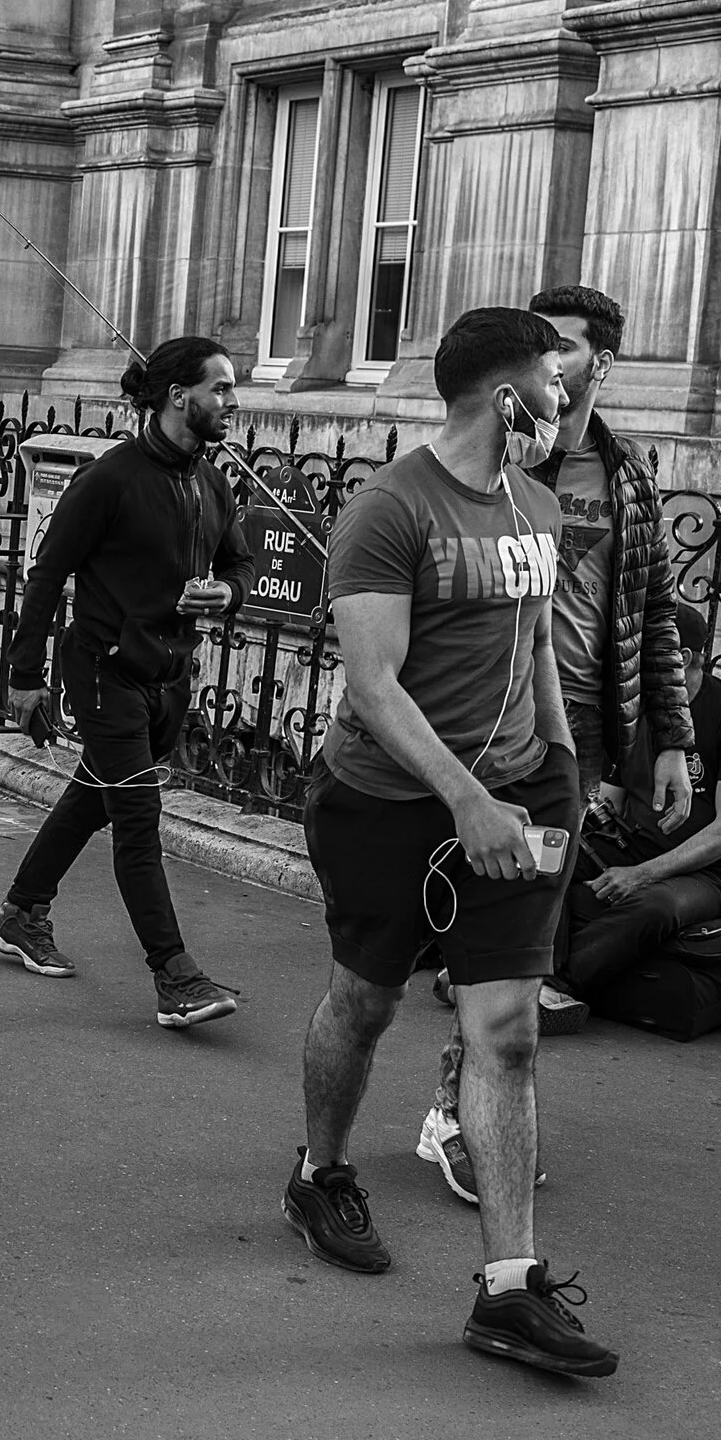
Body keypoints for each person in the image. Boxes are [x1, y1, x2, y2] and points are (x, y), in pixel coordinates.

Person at [286, 306, 620, 1378]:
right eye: (555, 384)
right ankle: (320, 1173)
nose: (567, 402)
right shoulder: (387, 509)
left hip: (520, 795)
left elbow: (532, 660)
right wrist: (465, 804)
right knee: (366, 1002)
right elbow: (373, 688)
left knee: (507, 1032)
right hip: (386, 804)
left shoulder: (534, 502)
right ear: (503, 395)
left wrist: (556, 788)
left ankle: (509, 1291)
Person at [416, 282, 699, 1195]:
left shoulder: (626, 477)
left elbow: (655, 618)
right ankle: (455, 1114)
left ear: (600, 363)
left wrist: (667, 743)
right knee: (466, 937)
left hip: (571, 731)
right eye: (540, 348)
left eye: (566, 347)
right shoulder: (493, 460)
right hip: (476, 726)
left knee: (514, 944)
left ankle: (464, 1111)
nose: (549, 364)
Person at [0, 337, 256, 1027]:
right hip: (104, 670)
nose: (233, 402)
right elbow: (47, 575)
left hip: (167, 674)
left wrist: (224, 596)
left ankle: (20, 911)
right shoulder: (110, 478)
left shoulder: (209, 479)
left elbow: (240, 565)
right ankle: (175, 976)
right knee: (136, 820)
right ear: (178, 397)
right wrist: (24, 677)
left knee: (95, 795)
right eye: (221, 388)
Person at [563, 602, 721, 998]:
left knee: (653, 906)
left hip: (718, 873)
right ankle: (499, 975)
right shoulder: (633, 711)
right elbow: (611, 803)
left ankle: (554, 986)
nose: (626, 662)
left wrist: (640, 875)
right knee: (551, 868)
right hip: (637, 847)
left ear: (683, 658)